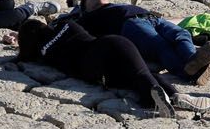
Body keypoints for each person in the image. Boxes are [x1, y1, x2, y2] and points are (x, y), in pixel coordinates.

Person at [16, 17, 177, 117]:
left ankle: (162, 99)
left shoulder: (44, 54)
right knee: (142, 72)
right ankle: (172, 95)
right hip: (108, 45)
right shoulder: (66, 24)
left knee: (133, 80)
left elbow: (24, 57)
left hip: (97, 73)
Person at [69, 0, 210, 85]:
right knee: (159, 45)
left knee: (182, 33)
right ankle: (187, 73)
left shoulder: (118, 6)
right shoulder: (89, 18)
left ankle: (193, 61)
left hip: (153, 19)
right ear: (86, 8)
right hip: (131, 26)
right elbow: (69, 24)